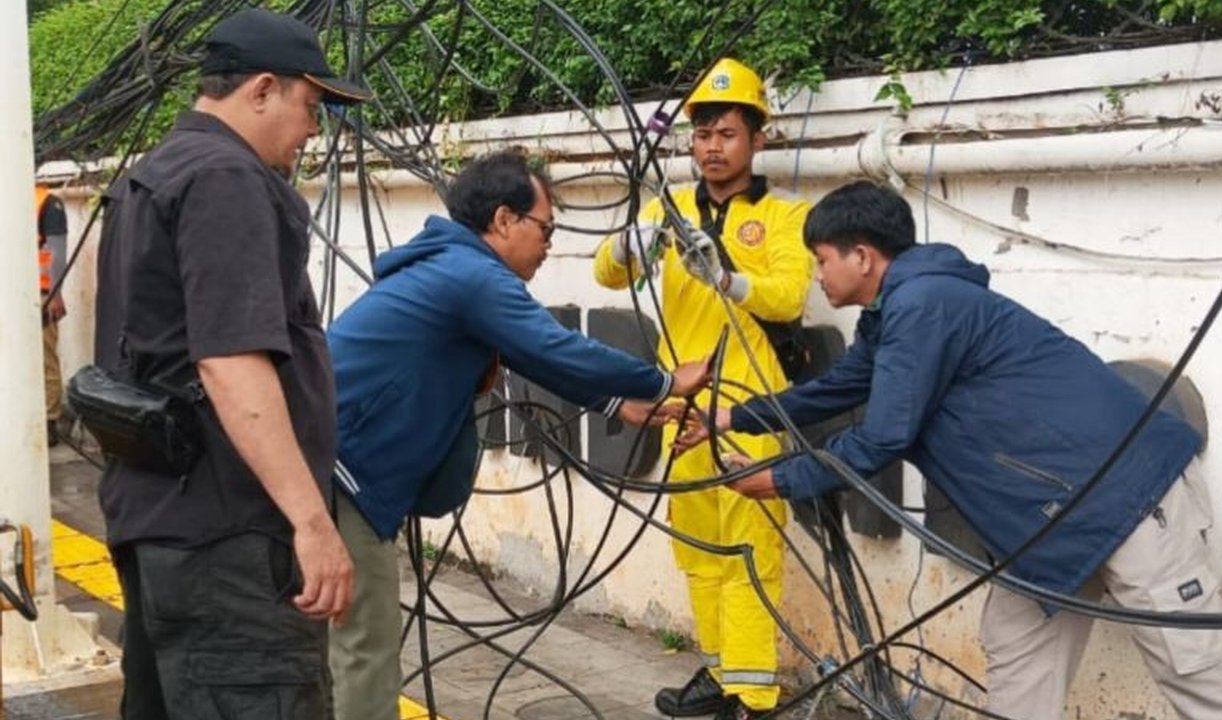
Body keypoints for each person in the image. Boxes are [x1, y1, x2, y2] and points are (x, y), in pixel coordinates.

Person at [678, 180, 1222, 720]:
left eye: (822, 260)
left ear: (862, 256)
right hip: (1046, 522)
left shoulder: (924, 304)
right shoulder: (892, 317)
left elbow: (884, 435)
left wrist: (780, 480)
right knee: (1018, 650)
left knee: (1197, 669)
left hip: (1127, 497)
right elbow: (836, 390)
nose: (817, 276)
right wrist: (728, 416)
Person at [326, 149, 711, 720]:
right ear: (504, 220)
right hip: (347, 472)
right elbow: (553, 345)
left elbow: (528, 355)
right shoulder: (471, 274)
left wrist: (616, 403)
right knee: (366, 643)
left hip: (337, 462)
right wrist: (661, 381)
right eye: (545, 228)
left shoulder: (453, 267)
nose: (549, 244)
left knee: (337, 640)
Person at [94, 9, 372, 719]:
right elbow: (230, 363)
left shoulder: (152, 175)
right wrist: (312, 524)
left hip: (160, 522)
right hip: (232, 542)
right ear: (262, 90)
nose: (313, 129)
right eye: (310, 107)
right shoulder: (226, 178)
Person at [592, 58, 812, 720]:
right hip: (680, 408)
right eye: (703, 134)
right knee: (698, 549)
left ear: (758, 140)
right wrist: (639, 238)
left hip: (750, 410)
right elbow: (607, 273)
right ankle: (721, 678)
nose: (712, 148)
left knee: (749, 550)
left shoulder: (784, 217)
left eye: (727, 134)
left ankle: (754, 696)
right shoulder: (671, 209)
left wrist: (728, 275)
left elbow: (789, 294)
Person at [36, 182, 68, 445]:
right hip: (22, 292)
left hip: (41, 294)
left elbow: (56, 251)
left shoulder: (48, 203)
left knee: (44, 356)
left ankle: (49, 421)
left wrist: (55, 294)